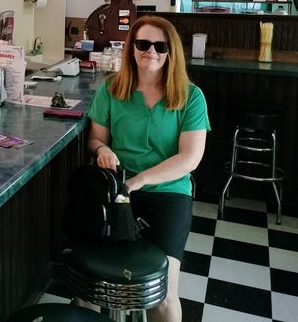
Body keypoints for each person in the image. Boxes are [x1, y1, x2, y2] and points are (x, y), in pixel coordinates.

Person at [86, 16, 210, 322]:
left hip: (169, 194)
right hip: (118, 192)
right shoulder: (112, 89)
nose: (150, 51)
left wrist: (141, 179)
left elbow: (190, 158)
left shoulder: (191, 97)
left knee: (163, 296)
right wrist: (102, 150)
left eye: (159, 45)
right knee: (92, 285)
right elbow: (96, 138)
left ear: (171, 52)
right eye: (142, 44)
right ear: (131, 49)